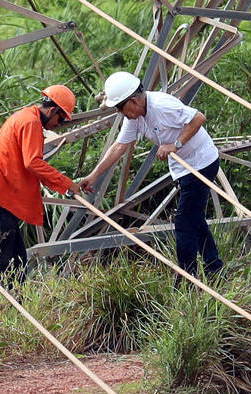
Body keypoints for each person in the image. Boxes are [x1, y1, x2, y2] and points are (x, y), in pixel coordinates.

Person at [79, 70, 224, 278]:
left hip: (201, 162)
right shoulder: (135, 117)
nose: (120, 112)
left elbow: (199, 118)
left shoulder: (162, 105)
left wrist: (175, 144)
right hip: (183, 168)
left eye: (120, 107)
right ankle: (215, 269)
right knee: (194, 219)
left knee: (184, 221)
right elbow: (119, 146)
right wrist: (94, 175)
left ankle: (187, 279)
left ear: (133, 101)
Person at [0, 84, 79, 281]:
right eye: (60, 119)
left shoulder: (24, 117)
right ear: (52, 110)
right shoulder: (31, 122)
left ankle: (12, 301)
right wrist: (67, 184)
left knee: (16, 258)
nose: (58, 124)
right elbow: (33, 162)